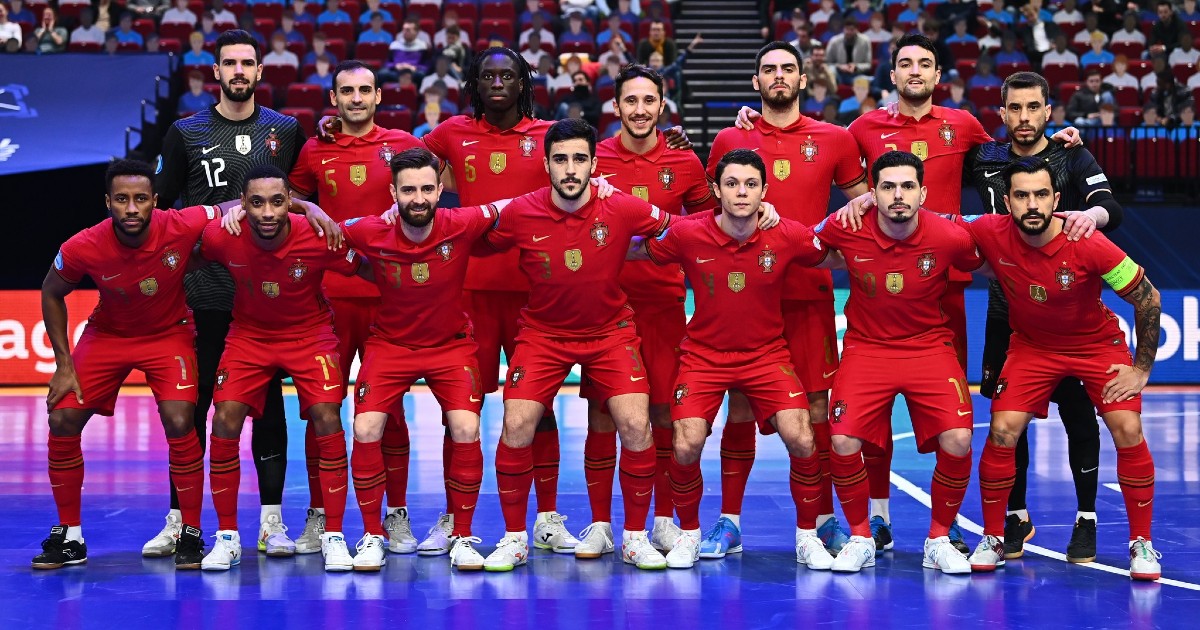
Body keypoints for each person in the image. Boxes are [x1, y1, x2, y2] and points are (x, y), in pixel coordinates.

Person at [480, 118, 676, 572]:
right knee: (516, 424)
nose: (570, 169)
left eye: (579, 159)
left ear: (594, 164)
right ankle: (515, 538)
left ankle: (633, 537)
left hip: (610, 333)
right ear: (546, 164)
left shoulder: (622, 206)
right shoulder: (521, 212)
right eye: (561, 159)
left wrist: (755, 215)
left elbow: (679, 228)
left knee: (636, 425)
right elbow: (465, 232)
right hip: (542, 335)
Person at [963, 158, 1163, 582]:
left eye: (1040, 195)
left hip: (1095, 345)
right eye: (1021, 196)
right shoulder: (988, 230)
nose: (1032, 204)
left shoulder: (1087, 241)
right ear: (1007, 202)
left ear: (1056, 199)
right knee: (1002, 430)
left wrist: (1141, 370)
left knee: (1127, 428)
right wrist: (868, 201)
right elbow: (929, 221)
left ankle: (1142, 543)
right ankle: (994, 537)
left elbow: (1148, 297)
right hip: (1032, 347)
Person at [709, 42, 870, 558]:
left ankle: (822, 520)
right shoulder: (731, 138)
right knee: (738, 404)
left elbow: (866, 206)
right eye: (769, 70)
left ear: (803, 79)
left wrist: (839, 251)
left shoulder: (835, 138)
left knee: (818, 409)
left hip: (807, 295)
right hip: (744, 298)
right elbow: (707, 211)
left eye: (787, 69)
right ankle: (729, 523)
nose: (778, 76)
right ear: (756, 81)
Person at [640, 149, 836, 571]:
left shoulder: (786, 233)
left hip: (766, 355)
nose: (741, 192)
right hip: (703, 356)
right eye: (731, 184)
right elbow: (636, 248)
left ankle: (807, 536)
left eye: (750, 184)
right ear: (716, 189)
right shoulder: (688, 233)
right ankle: (690, 534)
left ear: (765, 191)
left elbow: (834, 251)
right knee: (686, 443)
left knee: (803, 437)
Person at [152, 29, 305, 560]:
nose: (239, 71)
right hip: (203, 295)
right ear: (214, 71)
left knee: (269, 410)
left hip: (265, 297)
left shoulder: (285, 130)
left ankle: (271, 523)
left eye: (247, 63)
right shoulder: (185, 132)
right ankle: (181, 521)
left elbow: (299, 198)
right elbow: (161, 211)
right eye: (229, 63)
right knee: (192, 411)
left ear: (261, 71)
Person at [966, 71, 1124, 564]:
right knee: (1007, 422)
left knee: (1079, 417)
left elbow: (1109, 206)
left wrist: (1088, 218)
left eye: (1033, 107)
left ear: (1049, 112)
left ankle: (1086, 519)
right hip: (1006, 311)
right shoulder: (983, 157)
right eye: (1015, 108)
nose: (1024, 117)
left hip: (1068, 313)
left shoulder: (1071, 155)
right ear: (1001, 112)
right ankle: (1014, 517)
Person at [31, 160, 218, 571]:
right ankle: (70, 535)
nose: (131, 208)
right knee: (62, 417)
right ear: (107, 202)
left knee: (180, 420)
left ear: (155, 200)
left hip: (169, 333)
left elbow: (233, 207)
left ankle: (190, 530)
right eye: (121, 199)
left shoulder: (181, 223)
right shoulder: (83, 245)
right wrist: (63, 364)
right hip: (108, 335)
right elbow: (51, 292)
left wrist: (306, 207)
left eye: (140, 199)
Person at [816, 151, 982, 574]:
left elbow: (992, 260)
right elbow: (806, 244)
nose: (898, 195)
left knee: (959, 439)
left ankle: (938, 539)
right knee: (843, 441)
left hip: (929, 347)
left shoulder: (950, 236)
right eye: (888, 187)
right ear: (872, 194)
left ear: (923, 193)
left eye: (908, 186)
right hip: (867, 348)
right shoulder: (846, 225)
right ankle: (861, 537)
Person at [575, 65, 716, 558]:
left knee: (661, 414)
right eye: (630, 101)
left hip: (663, 306)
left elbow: (709, 224)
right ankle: (600, 525)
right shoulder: (593, 159)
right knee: (602, 416)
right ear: (615, 106)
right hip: (604, 309)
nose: (639, 110)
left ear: (662, 105)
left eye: (648, 101)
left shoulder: (685, 162)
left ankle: (660, 521)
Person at [337, 148, 497, 572]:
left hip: (451, 346)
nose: (419, 198)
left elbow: (511, 206)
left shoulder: (460, 222)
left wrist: (593, 190)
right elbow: (325, 232)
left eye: (427, 189)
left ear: (440, 190)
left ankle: (461, 534)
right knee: (365, 427)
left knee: (466, 427)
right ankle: (373, 534)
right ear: (393, 193)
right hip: (390, 345)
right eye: (408, 190)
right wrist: (306, 208)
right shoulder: (370, 229)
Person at [288, 60, 425, 555]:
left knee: (390, 411)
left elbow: (434, 191)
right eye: (347, 91)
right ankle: (319, 516)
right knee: (321, 410)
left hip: (390, 297)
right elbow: (284, 200)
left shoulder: (404, 144)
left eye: (365, 90)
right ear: (333, 99)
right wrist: (310, 206)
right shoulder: (314, 148)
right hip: (328, 298)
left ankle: (396, 514)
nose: (356, 98)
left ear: (378, 96)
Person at [197, 166, 356, 572]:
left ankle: (334, 535)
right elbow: (179, 250)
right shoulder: (222, 236)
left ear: (290, 202)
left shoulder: (318, 235)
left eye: (277, 202)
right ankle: (227, 537)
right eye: (256, 203)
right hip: (249, 336)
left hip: (310, 334)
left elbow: (367, 267)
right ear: (242, 204)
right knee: (224, 419)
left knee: (327, 415)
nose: (267, 212)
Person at [826, 15, 873, 85]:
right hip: (839, 74)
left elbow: (868, 64)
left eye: (852, 29)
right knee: (831, 70)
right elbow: (827, 63)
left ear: (857, 30)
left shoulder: (865, 41)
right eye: (847, 29)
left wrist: (856, 67)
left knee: (869, 80)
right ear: (843, 29)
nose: (849, 32)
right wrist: (840, 66)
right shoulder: (834, 41)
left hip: (857, 74)